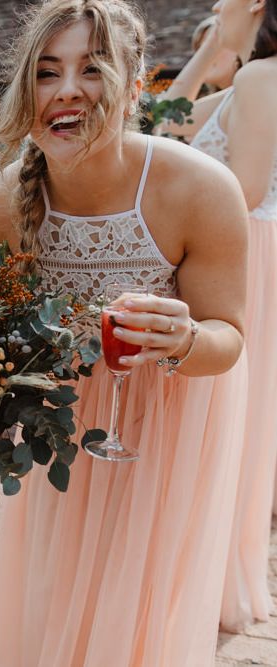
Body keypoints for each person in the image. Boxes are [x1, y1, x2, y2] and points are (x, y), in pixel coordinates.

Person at [0, 1, 250, 664]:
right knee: (56, 575)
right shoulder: (2, 201)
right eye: (46, 72)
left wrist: (180, 338)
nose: (66, 90)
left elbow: (227, 339)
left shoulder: (199, 189)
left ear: (133, 84)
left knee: (136, 593)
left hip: (166, 422)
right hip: (58, 425)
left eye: (92, 69)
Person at [156, 0, 277, 634]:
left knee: (218, 414)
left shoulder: (262, 79)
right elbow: (161, 125)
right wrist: (206, 56)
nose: (213, 5)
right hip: (258, 253)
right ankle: (215, 571)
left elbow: (247, 190)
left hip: (240, 252)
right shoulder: (252, 80)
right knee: (246, 419)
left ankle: (193, 581)